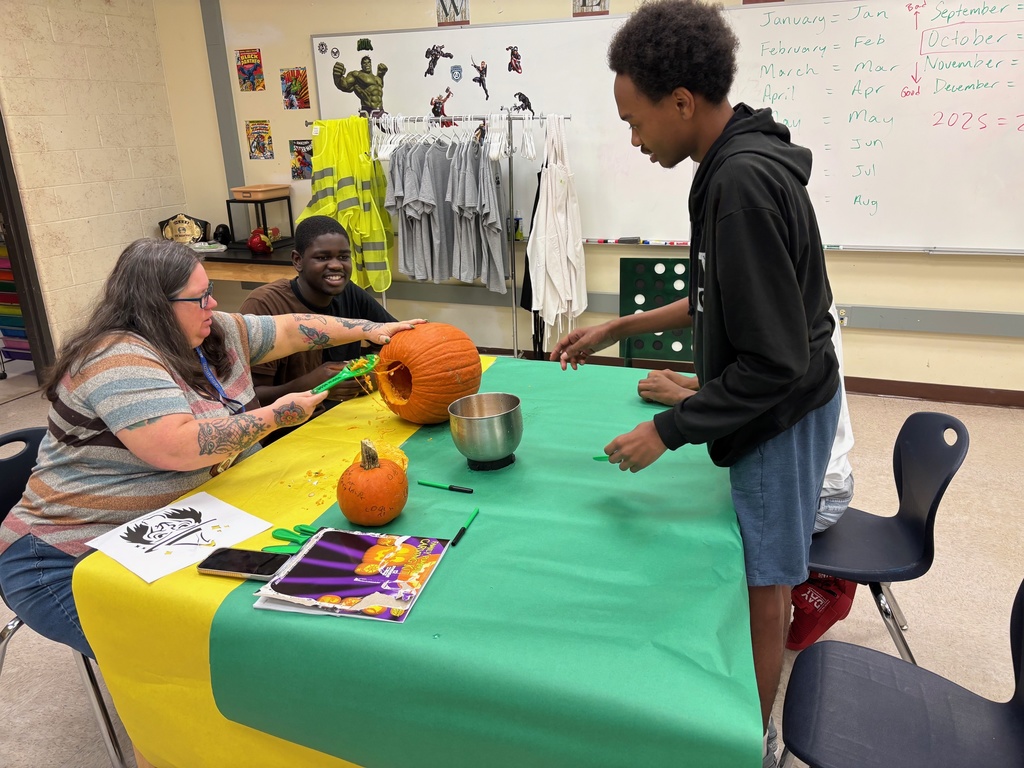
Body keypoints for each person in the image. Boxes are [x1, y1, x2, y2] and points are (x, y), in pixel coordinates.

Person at [551, 3, 840, 765]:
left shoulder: (741, 184)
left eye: (634, 121)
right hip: (777, 390)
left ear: (681, 102)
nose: (633, 139)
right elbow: (720, 294)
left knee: (766, 579)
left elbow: (775, 362)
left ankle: (753, 739)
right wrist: (620, 328)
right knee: (754, 563)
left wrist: (670, 429)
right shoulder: (732, 162)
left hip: (784, 408)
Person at [0, 238, 421, 660]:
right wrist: (277, 415)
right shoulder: (117, 359)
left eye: (210, 291)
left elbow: (291, 329)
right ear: (156, 307)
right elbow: (180, 447)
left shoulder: (211, 330)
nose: (213, 304)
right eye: (200, 297)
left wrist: (371, 329)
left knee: (274, 618)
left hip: (174, 528)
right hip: (67, 556)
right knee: (188, 656)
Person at [637, 304, 858, 653]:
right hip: (808, 466)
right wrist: (695, 385)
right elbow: (750, 360)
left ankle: (819, 583)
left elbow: (772, 387)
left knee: (738, 561)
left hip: (817, 491)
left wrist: (680, 409)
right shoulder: (788, 294)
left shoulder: (777, 294)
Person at [239, 216, 397, 442]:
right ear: (297, 260)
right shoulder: (264, 306)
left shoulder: (349, 293)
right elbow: (248, 402)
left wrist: (365, 374)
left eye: (343, 257)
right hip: (285, 437)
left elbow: (393, 341)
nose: (336, 265)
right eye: (322, 257)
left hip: (341, 421)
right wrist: (315, 386)